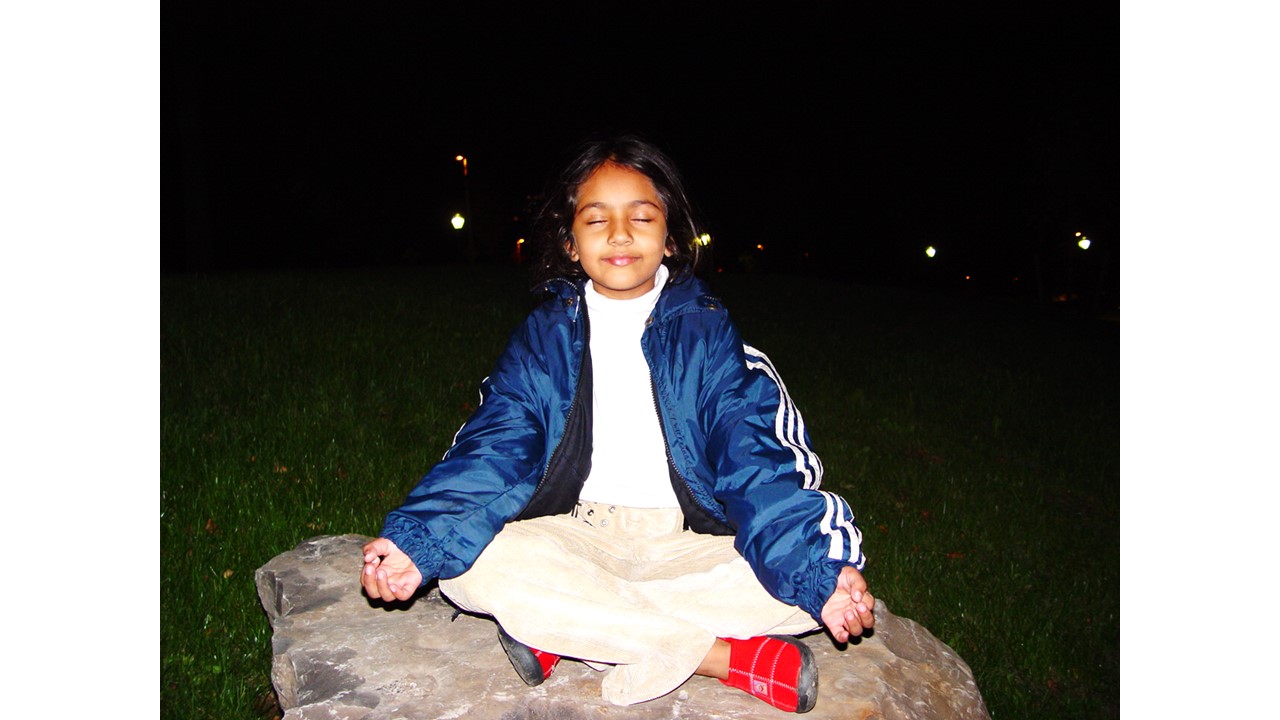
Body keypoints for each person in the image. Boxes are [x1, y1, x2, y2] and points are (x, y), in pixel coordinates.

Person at [360, 134, 874, 714]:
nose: (621, 234)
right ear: (570, 242)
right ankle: (722, 659)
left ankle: (574, 632)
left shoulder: (711, 339)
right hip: (576, 536)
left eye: (642, 217)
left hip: (687, 546)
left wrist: (819, 574)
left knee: (793, 596)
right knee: (470, 573)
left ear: (671, 237)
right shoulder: (543, 341)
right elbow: (495, 448)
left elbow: (758, 464)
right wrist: (420, 539)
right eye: (597, 219)